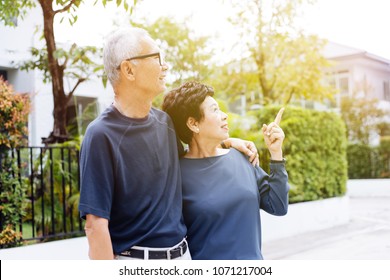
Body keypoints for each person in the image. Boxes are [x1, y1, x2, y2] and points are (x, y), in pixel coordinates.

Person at [78, 27, 260, 260]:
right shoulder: (100, 135)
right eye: (157, 58)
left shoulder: (165, 123)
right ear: (129, 70)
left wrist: (226, 143)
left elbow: (190, 157)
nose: (165, 66)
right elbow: (95, 226)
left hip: (182, 257)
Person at [162, 81, 290, 260]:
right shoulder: (176, 175)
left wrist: (276, 153)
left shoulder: (242, 157)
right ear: (193, 123)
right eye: (215, 110)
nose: (224, 116)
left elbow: (278, 206)